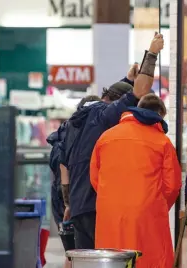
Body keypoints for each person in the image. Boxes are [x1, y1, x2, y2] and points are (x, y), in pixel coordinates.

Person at [90, 94, 182, 268]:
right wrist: (156, 206)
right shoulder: (161, 141)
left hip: (110, 218)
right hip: (147, 218)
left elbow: (95, 179)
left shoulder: (106, 138)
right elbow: (172, 185)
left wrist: (113, 201)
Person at [60, 33, 165, 250]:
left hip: (79, 206)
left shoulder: (78, 119)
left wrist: (68, 202)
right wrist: (152, 54)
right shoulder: (106, 117)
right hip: (99, 207)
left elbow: (64, 166)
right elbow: (140, 91)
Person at [46, 95, 101, 268]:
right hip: (72, 202)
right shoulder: (76, 135)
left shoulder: (65, 133)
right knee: (79, 259)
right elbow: (64, 174)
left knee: (72, 258)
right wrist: (70, 204)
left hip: (65, 201)